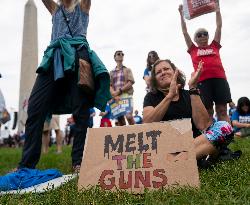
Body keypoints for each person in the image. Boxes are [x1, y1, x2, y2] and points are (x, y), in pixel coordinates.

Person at [17, 0, 111, 172]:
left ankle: (78, 162)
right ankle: (26, 165)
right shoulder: (55, 9)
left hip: (78, 56)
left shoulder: (83, 6)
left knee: (81, 111)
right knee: (35, 107)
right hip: (55, 58)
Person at [143, 59, 234, 160]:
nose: (163, 72)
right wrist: (169, 96)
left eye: (166, 69)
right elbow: (147, 124)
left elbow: (203, 125)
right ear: (155, 80)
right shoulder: (150, 97)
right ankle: (195, 156)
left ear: (175, 72)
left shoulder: (190, 94)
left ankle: (173, 160)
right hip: (167, 145)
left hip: (194, 142)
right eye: (158, 72)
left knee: (224, 127)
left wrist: (192, 88)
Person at [178, 2, 231, 123]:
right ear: (195, 39)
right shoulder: (193, 49)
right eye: (199, 35)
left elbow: (219, 26)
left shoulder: (214, 45)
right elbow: (185, 32)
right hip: (202, 82)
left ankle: (227, 138)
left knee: (222, 110)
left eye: (205, 33)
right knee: (208, 111)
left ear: (208, 36)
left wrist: (217, 9)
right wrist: (181, 15)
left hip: (220, 79)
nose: (202, 36)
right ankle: (211, 140)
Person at [110, 50, 135, 126]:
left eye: (122, 54)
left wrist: (119, 91)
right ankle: (125, 135)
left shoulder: (127, 70)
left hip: (126, 95)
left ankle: (136, 131)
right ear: (115, 58)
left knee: (129, 116)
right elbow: (109, 85)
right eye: (118, 54)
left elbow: (130, 82)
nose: (121, 55)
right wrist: (114, 94)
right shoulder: (111, 72)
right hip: (116, 97)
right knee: (120, 120)